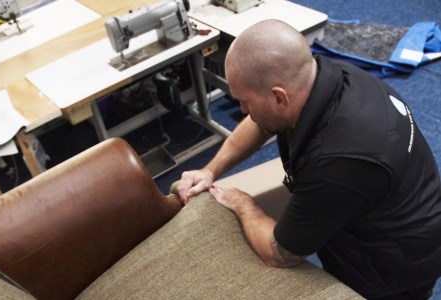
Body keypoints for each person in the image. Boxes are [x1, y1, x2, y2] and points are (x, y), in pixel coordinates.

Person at [176, 19, 441, 299]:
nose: (242, 110)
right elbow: (261, 121)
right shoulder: (321, 75)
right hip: (389, 203)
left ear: (279, 97)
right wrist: (210, 170)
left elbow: (279, 253)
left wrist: (243, 204)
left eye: (245, 101)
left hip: (396, 263)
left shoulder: (339, 162)